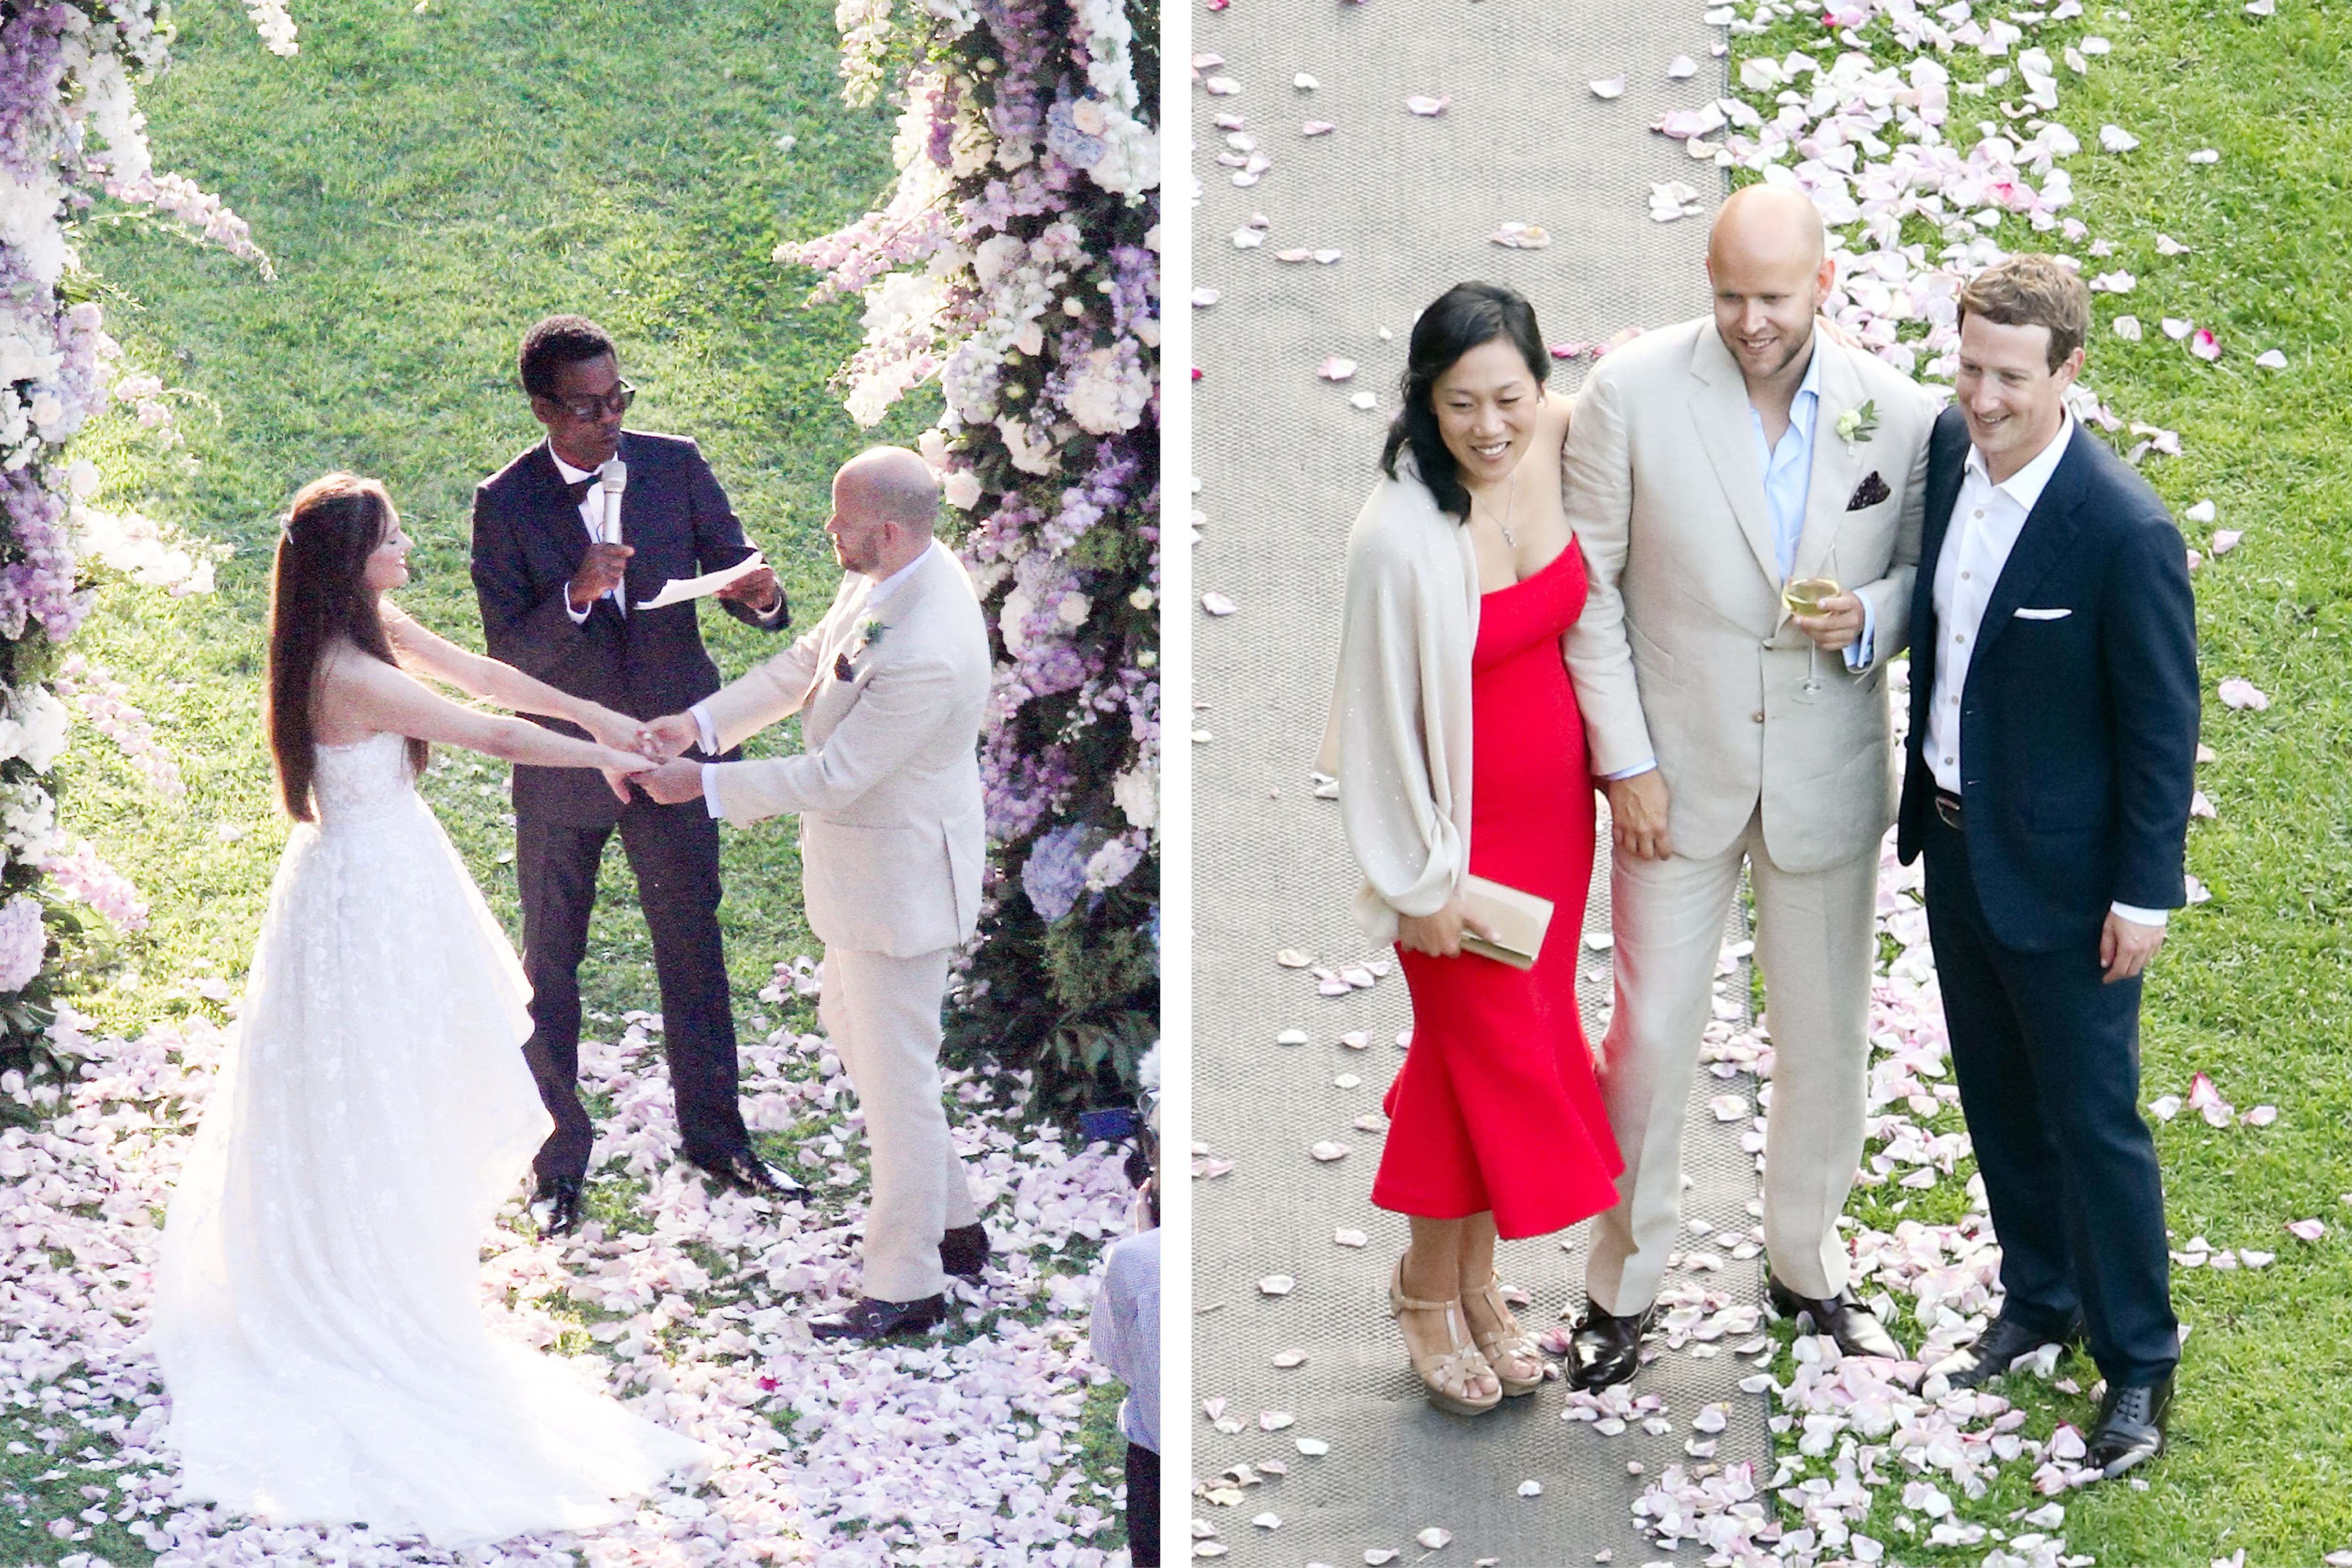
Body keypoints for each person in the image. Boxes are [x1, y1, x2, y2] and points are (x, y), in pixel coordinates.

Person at [153, 474, 703, 1544]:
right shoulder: (346, 670)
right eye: (393, 535)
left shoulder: (356, 621)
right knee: (376, 1087)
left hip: (384, 879)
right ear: (355, 556)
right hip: (369, 900)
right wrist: (610, 760)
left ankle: (394, 1250)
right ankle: (365, 1278)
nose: (409, 545)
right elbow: (487, 732)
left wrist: (601, 715)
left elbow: (486, 673)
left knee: (394, 1085)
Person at [1559, 185, 1939, 1388]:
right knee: (1650, 1037)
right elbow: (1591, 592)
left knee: (1825, 1039)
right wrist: (1626, 763)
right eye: (1727, 294)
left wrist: (1872, 614)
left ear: (1822, 281)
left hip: (1825, 772)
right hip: (1671, 778)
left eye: (1771, 296)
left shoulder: (1902, 413)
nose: (1747, 320)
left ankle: (1805, 1265)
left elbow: (1934, 573)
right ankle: (1621, 1287)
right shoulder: (1631, 392)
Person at [1896, 255, 2197, 1477]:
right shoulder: (1945, 451)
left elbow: (2161, 725)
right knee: (1996, 1093)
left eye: (2009, 376)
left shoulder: (2122, 529)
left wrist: (2143, 892)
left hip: (2071, 885)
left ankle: (2139, 1362)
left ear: (2068, 371)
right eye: (1969, 366)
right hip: (1958, 845)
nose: (1981, 395)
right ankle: (2039, 1294)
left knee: (2091, 1118)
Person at [1319, 282, 1625, 1417]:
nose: (1489, 426)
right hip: (1455, 850)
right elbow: (1380, 731)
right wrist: (1420, 886)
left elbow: (1648, 393)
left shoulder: (1550, 431)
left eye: (1508, 396)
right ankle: (1426, 1293)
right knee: (1487, 1062)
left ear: (1540, 387)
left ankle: (1476, 1284)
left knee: (1476, 1065)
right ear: (1424, 402)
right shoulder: (1398, 535)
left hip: (1556, 830)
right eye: (1460, 405)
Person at [637, 446, 992, 1342]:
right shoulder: (893, 574)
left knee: (898, 1085)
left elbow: (838, 775)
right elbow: (809, 662)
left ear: (887, 529)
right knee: (863, 1042)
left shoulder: (928, 648)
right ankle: (956, 1220)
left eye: (841, 520)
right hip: (866, 883)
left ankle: (908, 1279)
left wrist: (705, 784)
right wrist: (705, 722)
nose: (826, 530)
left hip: (902, 889)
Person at [471, 314, 797, 1236]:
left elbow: (751, 581)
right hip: (567, 761)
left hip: (671, 750)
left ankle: (717, 1135)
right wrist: (575, 593)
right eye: (587, 407)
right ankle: (557, 1158)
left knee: (691, 944)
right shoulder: (506, 503)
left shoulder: (674, 464)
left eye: (619, 400)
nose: (608, 419)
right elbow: (505, 654)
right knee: (554, 964)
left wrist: (760, 595)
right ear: (543, 409)